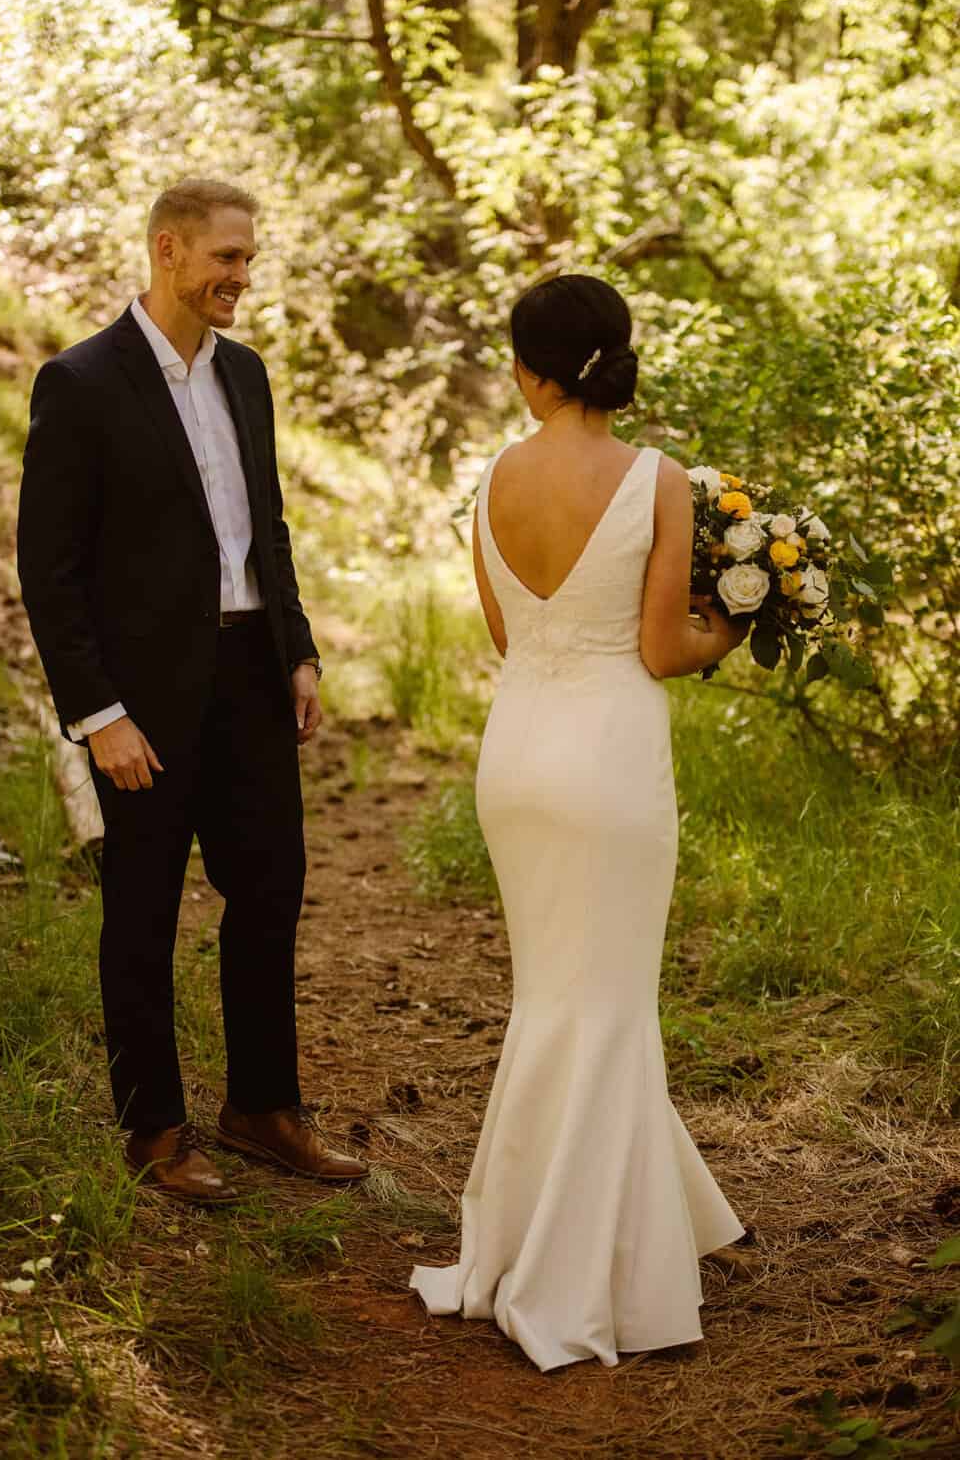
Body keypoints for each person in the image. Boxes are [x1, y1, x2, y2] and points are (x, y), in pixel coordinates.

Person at [410, 274, 746, 1369]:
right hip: (609, 760)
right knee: (606, 1003)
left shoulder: (493, 480)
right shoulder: (658, 478)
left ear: (533, 369)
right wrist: (729, 630)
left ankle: (529, 1237)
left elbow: (512, 636)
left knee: (553, 996)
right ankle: (588, 1267)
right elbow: (658, 649)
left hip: (519, 758)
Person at [17, 179, 366, 1203]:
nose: (241, 279)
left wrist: (296, 649)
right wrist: (99, 714)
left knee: (268, 890)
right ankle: (154, 1130)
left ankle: (261, 1107)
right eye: (226, 258)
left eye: (249, 260)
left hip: (252, 677)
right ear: (168, 251)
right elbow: (50, 568)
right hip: (142, 706)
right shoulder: (80, 383)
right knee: (143, 912)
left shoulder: (246, 376)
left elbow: (269, 526)